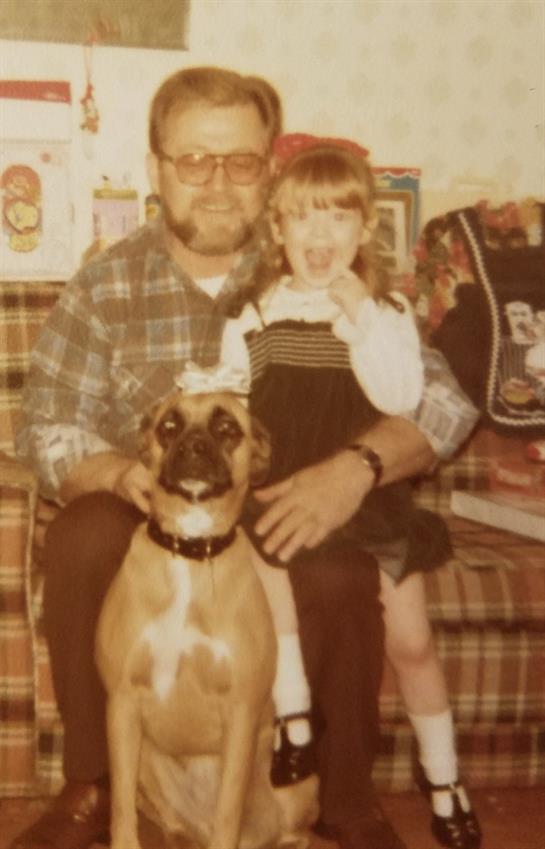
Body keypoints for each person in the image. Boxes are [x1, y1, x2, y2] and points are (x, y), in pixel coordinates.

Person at [13, 66, 479, 849]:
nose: (219, 183)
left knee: (334, 565)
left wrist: (357, 466)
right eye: (194, 160)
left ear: (271, 169)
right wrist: (121, 474)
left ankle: (343, 796)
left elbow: (445, 402)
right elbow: (45, 425)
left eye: (241, 161)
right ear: (157, 169)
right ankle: (95, 785)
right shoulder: (105, 284)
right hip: (150, 516)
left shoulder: (330, 274)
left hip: (293, 509)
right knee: (84, 531)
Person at [221, 135, 481, 849]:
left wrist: (361, 313)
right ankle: (295, 716)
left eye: (338, 217)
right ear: (277, 229)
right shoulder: (256, 310)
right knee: (265, 560)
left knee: (412, 639)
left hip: (363, 495)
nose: (319, 234)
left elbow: (400, 395)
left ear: (365, 227)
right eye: (302, 217)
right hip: (280, 485)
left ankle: (444, 776)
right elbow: (230, 386)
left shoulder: (384, 311)